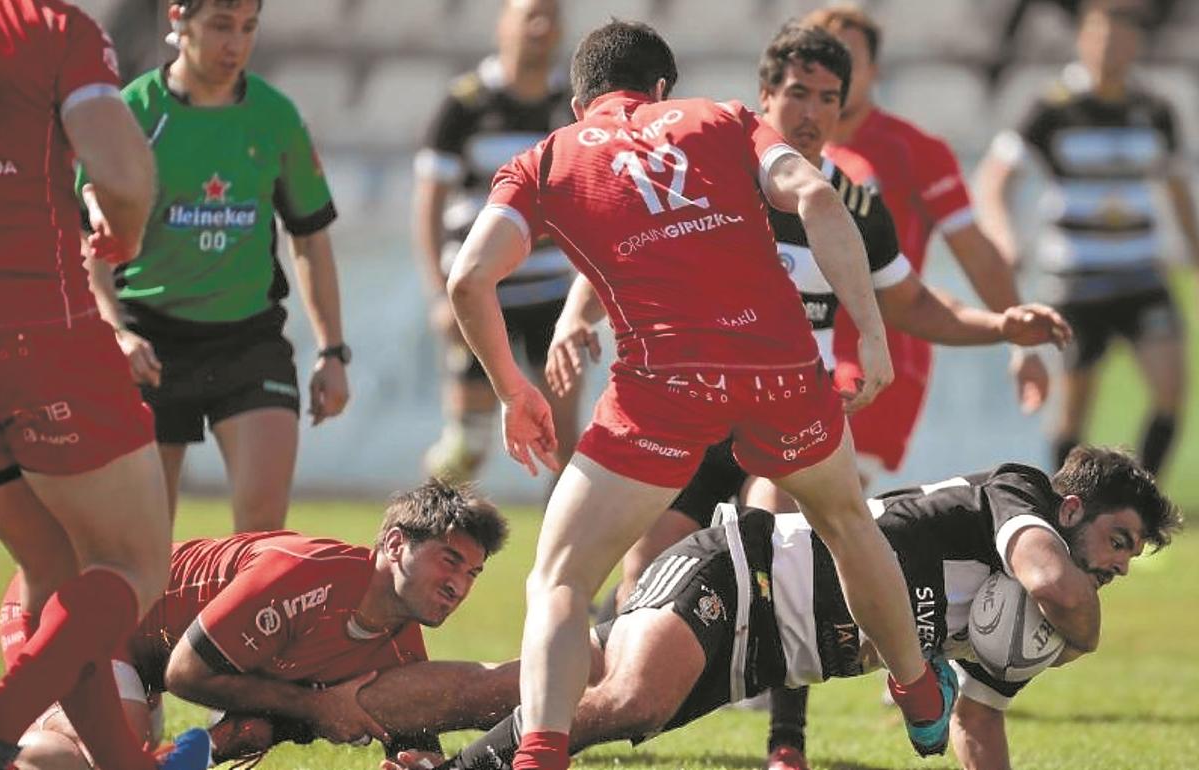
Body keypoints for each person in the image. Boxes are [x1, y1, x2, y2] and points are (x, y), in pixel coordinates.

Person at [448, 20, 960, 769]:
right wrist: (874, 338)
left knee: (560, 578)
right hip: (782, 374)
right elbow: (818, 198)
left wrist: (511, 390)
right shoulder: (721, 117)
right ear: (661, 89)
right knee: (850, 526)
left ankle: (541, 755)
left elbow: (467, 280)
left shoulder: (546, 160)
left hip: (664, 387)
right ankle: (918, 695)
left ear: (577, 100)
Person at [552, 23, 1071, 618]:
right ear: (765, 96)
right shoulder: (712, 174)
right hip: (698, 408)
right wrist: (574, 317)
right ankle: (627, 696)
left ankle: (792, 708)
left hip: (788, 411)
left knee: (771, 546)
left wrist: (1002, 326)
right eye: (798, 93)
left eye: (829, 98)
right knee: (643, 575)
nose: (813, 112)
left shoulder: (853, 206)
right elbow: (633, 245)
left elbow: (915, 305)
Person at [384, 446, 1179, 770]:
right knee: (628, 700)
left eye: (1131, 557)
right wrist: (1088, 636)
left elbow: (977, 720)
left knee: (539, 687)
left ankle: (344, 707)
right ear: (1071, 508)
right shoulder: (1021, 495)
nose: (1117, 564)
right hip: (741, 571)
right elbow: (1054, 583)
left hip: (763, 651)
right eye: (1119, 539)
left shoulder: (1032, 635)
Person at [0, 0, 211, 768]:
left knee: (53, 571)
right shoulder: (49, 28)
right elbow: (124, 176)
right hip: (39, 325)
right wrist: (122, 234)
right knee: (133, 564)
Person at [0, 480, 514, 770]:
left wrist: (417, 764)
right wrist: (315, 706)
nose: (459, 586)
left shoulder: (400, 642)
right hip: (73, 602)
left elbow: (411, 740)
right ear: (396, 545)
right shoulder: (303, 574)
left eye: (472, 573)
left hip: (139, 656)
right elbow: (186, 674)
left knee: (223, 734)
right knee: (99, 760)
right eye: (449, 561)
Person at [83, 0, 349, 532]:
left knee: (261, 540)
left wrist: (332, 352)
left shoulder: (275, 116)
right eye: (221, 26)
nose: (236, 44)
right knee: (143, 542)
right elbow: (90, 244)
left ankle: (226, 619)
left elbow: (311, 240)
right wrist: (115, 332)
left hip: (248, 341)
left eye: (248, 28)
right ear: (178, 21)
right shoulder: (133, 112)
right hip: (149, 341)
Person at [799, 4, 1051, 487]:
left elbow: (975, 250)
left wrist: (1022, 343)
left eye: (849, 58)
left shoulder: (915, 151)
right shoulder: (782, 151)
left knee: (817, 504)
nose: (837, 72)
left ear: (875, 69)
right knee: (771, 514)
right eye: (824, 58)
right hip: (795, 350)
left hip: (880, 355)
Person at [977, 0, 1199, 478]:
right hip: (1076, 278)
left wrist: (1195, 253)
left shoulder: (1154, 109)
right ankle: (1067, 511)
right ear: (1082, 40)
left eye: (1120, 38)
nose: (1109, 48)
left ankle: (1140, 509)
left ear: (1134, 44)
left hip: (1141, 273)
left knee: (1171, 390)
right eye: (1099, 37)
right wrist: (1003, 236)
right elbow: (994, 180)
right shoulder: (1053, 107)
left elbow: (1177, 187)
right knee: (1073, 409)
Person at [413, 0, 580, 486]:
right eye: (530, 14)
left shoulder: (569, 104)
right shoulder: (464, 105)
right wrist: (439, 293)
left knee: (563, 437)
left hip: (550, 290)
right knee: (468, 448)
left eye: (550, 16)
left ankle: (562, 557)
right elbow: (428, 204)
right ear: (503, 24)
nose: (541, 26)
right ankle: (427, 543)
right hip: (483, 291)